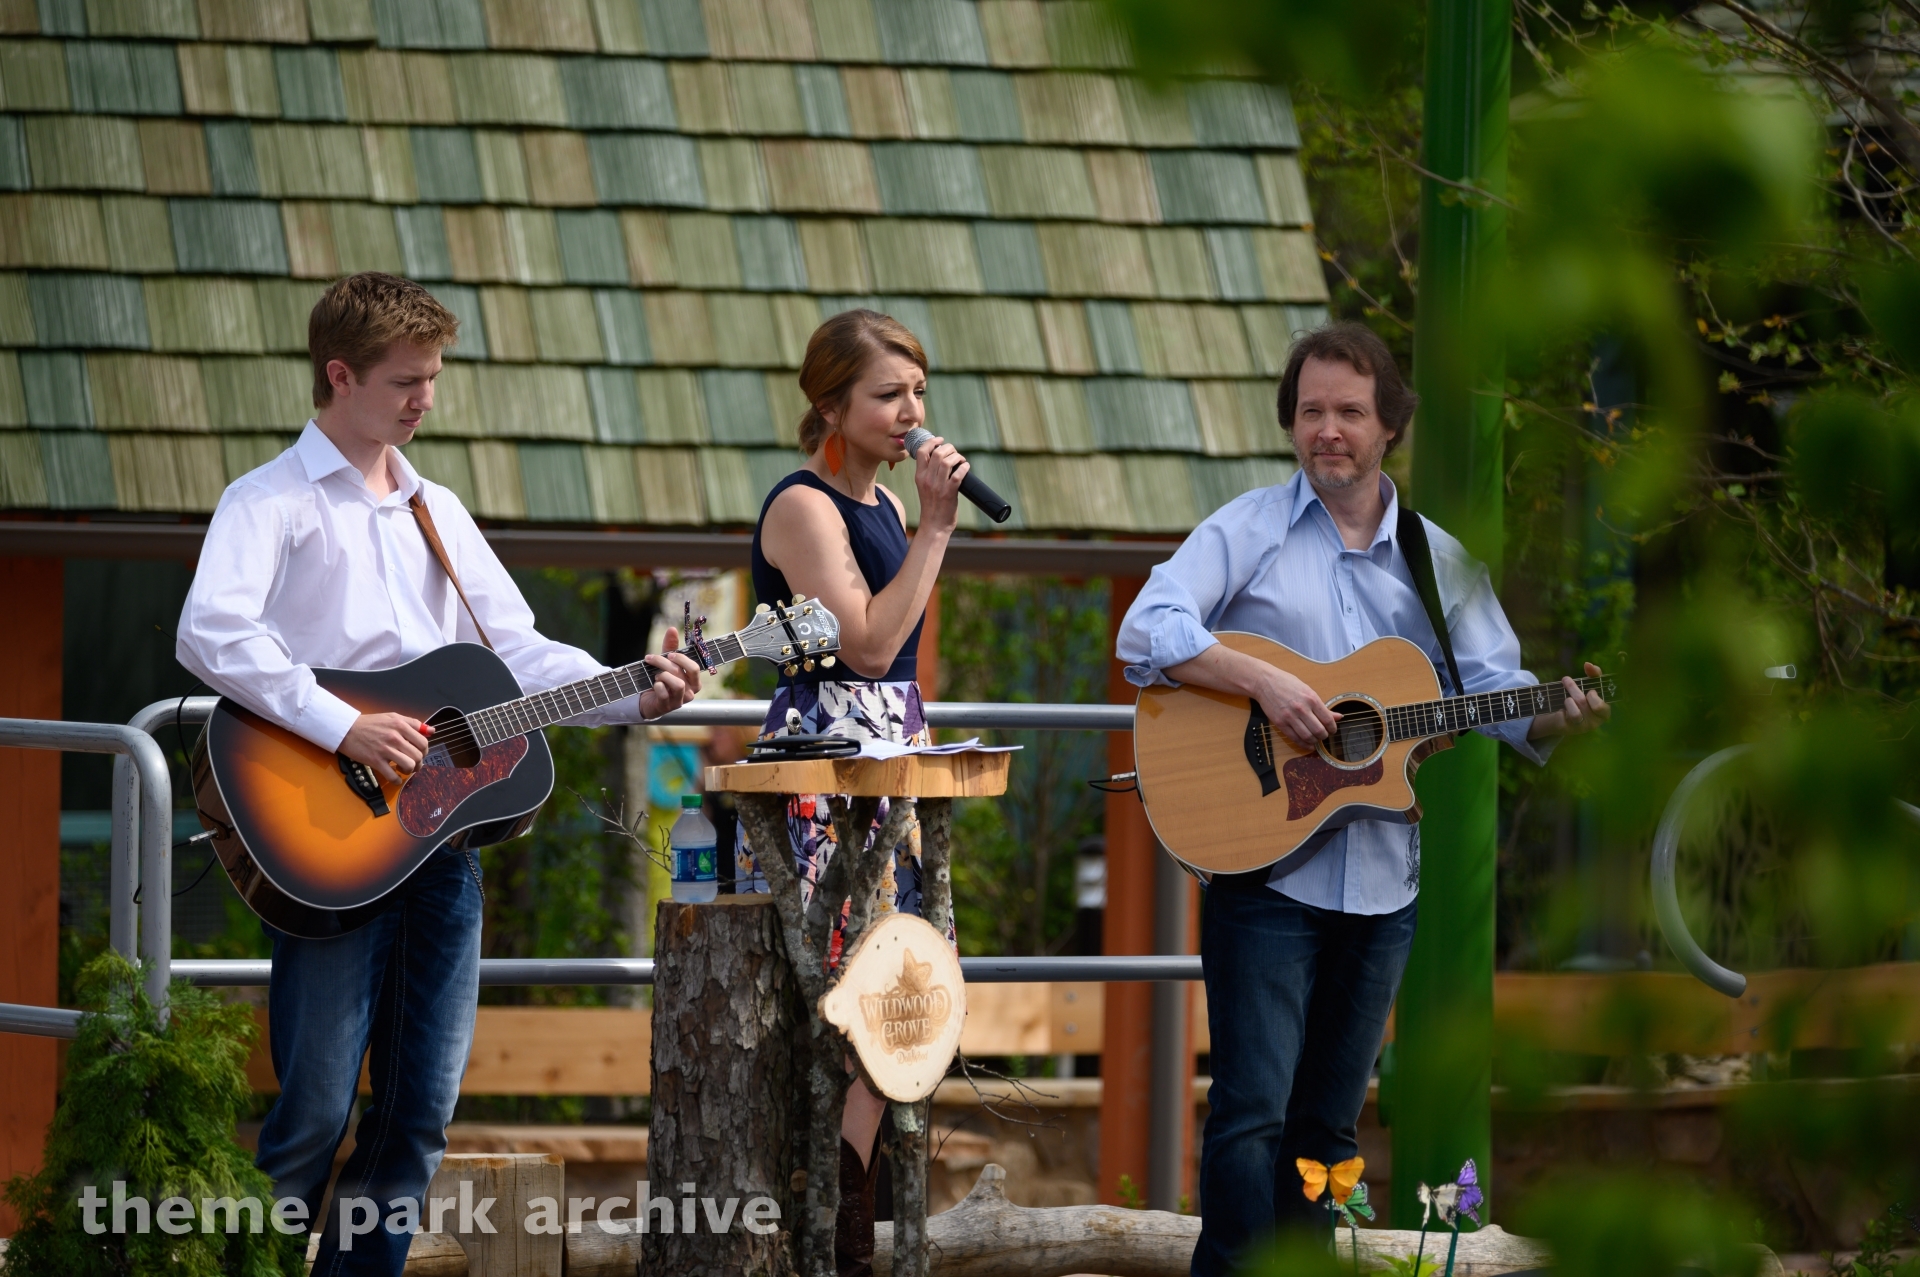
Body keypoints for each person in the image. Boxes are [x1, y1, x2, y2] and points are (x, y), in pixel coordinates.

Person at [176, 272, 703, 1277]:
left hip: (444, 842)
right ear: (340, 375)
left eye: (432, 377)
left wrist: (636, 692)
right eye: (405, 380)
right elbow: (211, 632)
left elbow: (519, 654)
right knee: (314, 1112)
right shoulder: (269, 500)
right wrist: (344, 726)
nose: (426, 398)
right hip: (326, 836)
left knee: (417, 1115)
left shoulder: (438, 509)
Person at [1115, 322, 1610, 1275]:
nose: (1328, 431)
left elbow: (1499, 692)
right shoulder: (1250, 529)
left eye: (1349, 411)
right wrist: (1263, 682)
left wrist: (1563, 714)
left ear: (1390, 425)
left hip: (1383, 883)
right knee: (1251, 1114)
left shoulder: (1438, 559)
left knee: (1328, 1129)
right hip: (1265, 871)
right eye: (1311, 412)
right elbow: (1148, 627)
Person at [742, 308, 968, 1277]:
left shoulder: (883, 507)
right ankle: (828, 1228)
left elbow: (899, 654)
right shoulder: (805, 507)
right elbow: (869, 645)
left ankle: (850, 1217)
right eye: (888, 394)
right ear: (831, 405)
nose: (911, 411)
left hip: (895, 757)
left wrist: (923, 528)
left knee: (904, 992)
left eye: (918, 391)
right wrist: (938, 528)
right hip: (824, 764)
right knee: (842, 998)